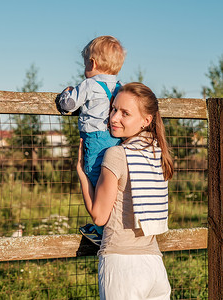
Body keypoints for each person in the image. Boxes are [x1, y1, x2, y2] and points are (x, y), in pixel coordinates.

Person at [76, 82, 173, 299]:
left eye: (125, 113)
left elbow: (99, 216)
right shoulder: (158, 153)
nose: (113, 118)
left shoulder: (117, 154)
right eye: (113, 109)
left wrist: (82, 175)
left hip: (122, 267)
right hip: (155, 266)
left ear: (146, 120)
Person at [55, 35, 126, 243]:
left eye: (86, 62)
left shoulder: (89, 84)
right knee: (111, 180)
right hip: (115, 138)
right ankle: (110, 224)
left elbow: (68, 105)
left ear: (92, 63)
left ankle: (101, 230)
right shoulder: (121, 86)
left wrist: (65, 94)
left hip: (94, 139)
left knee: (93, 174)